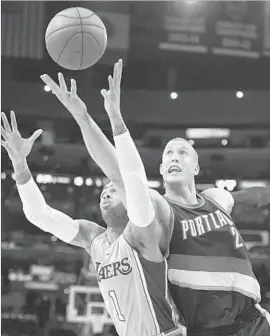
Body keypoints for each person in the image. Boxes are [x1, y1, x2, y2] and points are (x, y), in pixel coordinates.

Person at [41, 59, 270, 336]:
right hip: (208, 331)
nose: (174, 156)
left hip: (255, 321)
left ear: (195, 167)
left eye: (182, 152)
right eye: (168, 154)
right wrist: (87, 118)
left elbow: (257, 196)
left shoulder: (217, 199)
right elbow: (118, 173)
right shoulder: (159, 209)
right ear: (161, 170)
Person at [1, 116, 183, 334]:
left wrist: (111, 121)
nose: (106, 193)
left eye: (113, 190)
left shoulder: (142, 232)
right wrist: (20, 165)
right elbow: (40, 215)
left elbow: (133, 179)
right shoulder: (92, 237)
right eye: (104, 191)